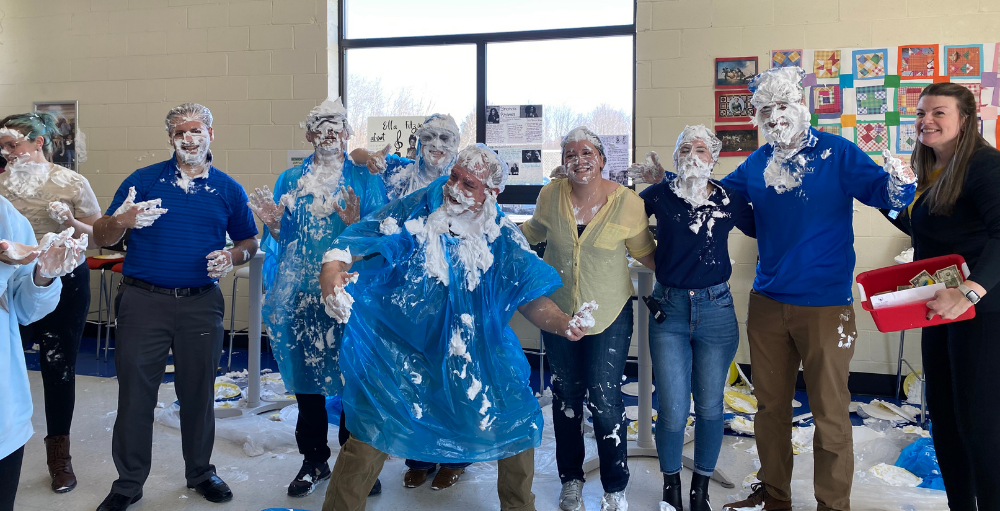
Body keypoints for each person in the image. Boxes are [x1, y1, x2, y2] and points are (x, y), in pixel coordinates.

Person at [318, 144, 594, 511]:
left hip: (475, 352)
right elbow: (355, 240)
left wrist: (563, 323)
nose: (455, 187)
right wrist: (332, 275)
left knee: (516, 423)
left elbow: (527, 295)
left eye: (469, 183)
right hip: (404, 349)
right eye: (454, 177)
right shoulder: (419, 208)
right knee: (371, 431)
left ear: (491, 193)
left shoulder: (502, 236)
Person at [719, 67, 916, 511]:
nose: (775, 116)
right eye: (766, 109)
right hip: (768, 303)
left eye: (783, 105)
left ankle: (832, 504)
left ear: (801, 108)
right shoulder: (757, 161)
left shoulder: (836, 153)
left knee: (829, 412)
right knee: (770, 410)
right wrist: (666, 183)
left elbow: (886, 194)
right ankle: (774, 496)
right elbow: (716, 197)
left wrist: (900, 183)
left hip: (826, 305)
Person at [91, 103, 259, 511]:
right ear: (170, 139)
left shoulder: (227, 188)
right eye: (180, 131)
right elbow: (102, 236)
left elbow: (250, 242)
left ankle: (200, 472)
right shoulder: (143, 182)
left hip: (201, 304)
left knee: (198, 393)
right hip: (143, 301)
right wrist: (123, 221)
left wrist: (232, 258)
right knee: (136, 395)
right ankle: (129, 483)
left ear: (211, 135)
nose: (189, 137)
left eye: (196, 129)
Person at [251, 98, 388, 498]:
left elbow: (381, 236)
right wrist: (276, 226)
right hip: (299, 293)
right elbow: (282, 241)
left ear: (347, 133)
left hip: (349, 294)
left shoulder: (364, 179)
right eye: (321, 127)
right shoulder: (290, 180)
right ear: (309, 134)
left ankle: (354, 462)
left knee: (352, 379)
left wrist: (356, 227)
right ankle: (313, 460)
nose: (329, 133)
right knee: (306, 379)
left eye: (337, 126)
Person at [520, 126, 656, 511]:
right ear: (563, 162)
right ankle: (571, 480)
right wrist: (491, 235)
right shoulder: (550, 195)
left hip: (609, 312)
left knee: (605, 398)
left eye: (587, 153)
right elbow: (531, 232)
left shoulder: (628, 202)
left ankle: (615, 487)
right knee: (566, 394)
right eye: (571, 154)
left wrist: (684, 274)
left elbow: (645, 250)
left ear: (601, 158)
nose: (580, 160)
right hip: (559, 311)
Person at [881, 83, 1000, 510]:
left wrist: (969, 293)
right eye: (920, 113)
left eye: (939, 113)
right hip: (939, 311)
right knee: (946, 424)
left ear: (965, 120)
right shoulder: (935, 169)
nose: (925, 121)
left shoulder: (985, 166)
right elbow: (926, 231)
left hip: (981, 313)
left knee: (980, 426)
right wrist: (889, 199)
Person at [629, 126, 755, 511]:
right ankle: (671, 487)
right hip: (670, 310)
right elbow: (623, 223)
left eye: (701, 149)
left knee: (711, 404)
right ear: (675, 156)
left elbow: (767, 228)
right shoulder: (659, 196)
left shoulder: (729, 198)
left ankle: (700, 487)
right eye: (685, 148)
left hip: (716, 310)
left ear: (713, 158)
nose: (693, 155)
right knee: (671, 407)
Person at [351, 112, 475, 489]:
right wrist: (368, 155)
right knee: (411, 374)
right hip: (403, 292)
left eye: (446, 139)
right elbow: (354, 155)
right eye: (430, 138)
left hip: (453, 291)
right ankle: (419, 454)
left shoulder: (464, 181)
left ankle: (456, 456)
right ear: (419, 142)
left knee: (453, 372)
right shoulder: (400, 173)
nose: (438, 145)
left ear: (457, 145)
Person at [0, 113, 103, 494]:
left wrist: (72, 221)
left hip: (64, 281)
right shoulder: (1, 186)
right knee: (5, 366)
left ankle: (59, 456)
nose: (6, 152)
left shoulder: (71, 181)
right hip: (9, 284)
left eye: (13, 144)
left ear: (39, 142)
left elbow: (99, 238)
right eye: (2, 146)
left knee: (58, 367)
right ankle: (7, 448)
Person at [0, 196, 86, 511]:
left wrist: (43, 275)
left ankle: (59, 454)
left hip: (3, 409)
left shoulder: (5, 213)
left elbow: (23, 308)